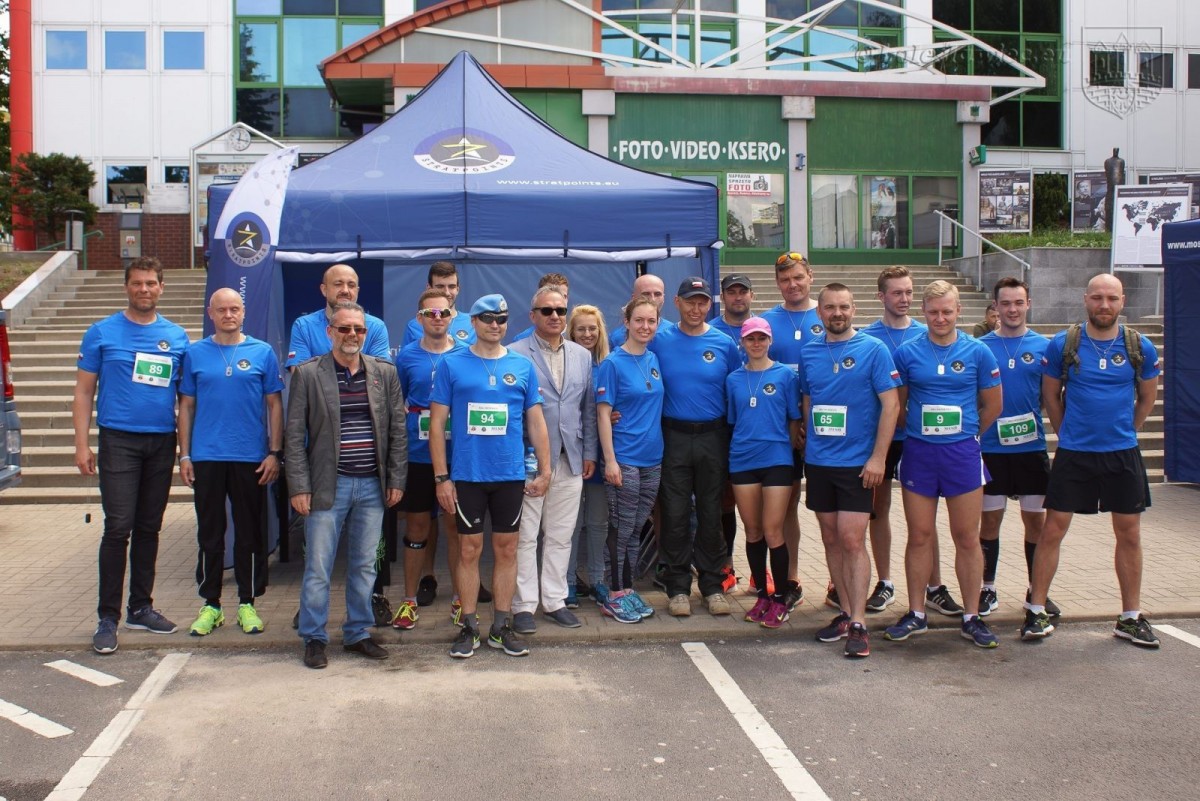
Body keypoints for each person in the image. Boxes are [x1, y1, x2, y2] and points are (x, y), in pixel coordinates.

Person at [1025, 274, 1161, 646]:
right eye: (1098, 298)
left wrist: (1126, 432)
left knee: (1129, 534)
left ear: (1123, 301)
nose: (1104, 305)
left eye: (1112, 298)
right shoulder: (1064, 344)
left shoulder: (1139, 346)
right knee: (1053, 530)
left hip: (1122, 455)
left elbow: (1146, 398)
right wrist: (1067, 432)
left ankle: (1130, 617)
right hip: (1075, 454)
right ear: (1085, 299)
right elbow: (1051, 395)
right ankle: (1036, 611)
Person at [75, 256, 190, 654]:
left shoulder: (176, 337)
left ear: (161, 288)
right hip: (118, 440)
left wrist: (186, 449)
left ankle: (141, 606)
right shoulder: (102, 332)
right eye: (137, 283)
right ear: (127, 287)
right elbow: (84, 391)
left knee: (148, 527)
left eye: (151, 283)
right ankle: (108, 617)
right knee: (118, 527)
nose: (144, 289)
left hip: (160, 440)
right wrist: (81, 442)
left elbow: (185, 398)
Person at [429, 294, 552, 658]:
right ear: (474, 323)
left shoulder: (522, 365)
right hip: (467, 475)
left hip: (509, 475)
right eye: (486, 319)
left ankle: (501, 625)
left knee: (507, 549)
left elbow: (536, 422)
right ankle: (468, 626)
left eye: (500, 319)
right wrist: (441, 478)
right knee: (469, 549)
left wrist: (545, 470)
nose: (494, 325)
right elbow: (437, 425)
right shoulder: (452, 364)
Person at [286, 302, 407, 669]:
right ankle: (314, 637)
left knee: (365, 565)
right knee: (319, 567)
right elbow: (294, 436)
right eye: (344, 329)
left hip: (372, 485)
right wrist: (299, 486)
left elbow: (397, 430)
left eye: (358, 329)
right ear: (330, 332)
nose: (352, 335)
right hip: (327, 485)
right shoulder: (308, 374)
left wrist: (397, 479)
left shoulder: (384, 373)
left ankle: (357, 633)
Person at [883, 280, 1003, 649]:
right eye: (933, 312)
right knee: (919, 536)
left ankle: (971, 616)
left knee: (966, 537)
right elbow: (898, 406)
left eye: (946, 311)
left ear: (958, 311)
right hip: (919, 453)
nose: (940, 318)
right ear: (923, 312)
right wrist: (923, 431)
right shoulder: (907, 352)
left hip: (962, 455)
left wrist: (966, 434)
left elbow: (993, 405)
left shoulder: (978, 352)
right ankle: (916, 612)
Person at [177, 289, 284, 637]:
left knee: (249, 532)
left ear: (243, 312)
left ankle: (247, 603)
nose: (228, 314)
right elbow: (187, 407)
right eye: (221, 309)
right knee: (210, 533)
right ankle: (211, 604)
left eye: (234, 308)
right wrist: (185, 454)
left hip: (250, 457)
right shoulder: (194, 353)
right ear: (211, 312)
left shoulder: (262, 352)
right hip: (207, 456)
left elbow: (274, 405)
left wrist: (274, 452)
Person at [801, 285, 900, 658]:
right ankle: (843, 611)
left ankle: (859, 621)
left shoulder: (874, 349)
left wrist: (878, 458)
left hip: (858, 465)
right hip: (821, 462)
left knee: (852, 539)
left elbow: (890, 407)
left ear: (854, 309)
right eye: (829, 307)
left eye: (843, 306)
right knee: (829, 538)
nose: (836, 313)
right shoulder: (810, 351)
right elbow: (809, 398)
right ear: (819, 313)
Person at [860, 267, 958, 616]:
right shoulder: (867, 338)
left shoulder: (927, 333)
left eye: (909, 292)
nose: (904, 299)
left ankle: (935, 586)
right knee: (878, 511)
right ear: (881, 297)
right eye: (897, 293)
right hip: (882, 439)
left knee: (924, 520)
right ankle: (885, 582)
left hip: (922, 439)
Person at [649, 277, 741, 617]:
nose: (696, 307)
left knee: (711, 513)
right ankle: (677, 588)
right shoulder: (659, 340)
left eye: (702, 301)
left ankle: (713, 585)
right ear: (676, 302)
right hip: (672, 436)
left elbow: (735, 391)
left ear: (710, 304)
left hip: (713, 437)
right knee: (673, 513)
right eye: (690, 301)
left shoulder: (724, 343)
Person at [509, 286, 597, 631]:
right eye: (547, 311)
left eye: (560, 310)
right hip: (529, 460)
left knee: (561, 534)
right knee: (526, 535)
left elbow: (587, 409)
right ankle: (523, 605)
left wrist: (590, 451)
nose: (555, 316)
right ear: (533, 315)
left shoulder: (581, 355)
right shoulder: (515, 353)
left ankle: (555, 600)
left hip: (571, 458)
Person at [976, 278, 1058, 619]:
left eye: (1018, 303)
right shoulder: (979, 347)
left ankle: (1036, 591)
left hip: (1031, 450)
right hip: (991, 451)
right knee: (989, 523)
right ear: (995, 306)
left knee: (1036, 524)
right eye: (1005, 303)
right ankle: (987, 588)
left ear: (1028, 304)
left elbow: (1051, 396)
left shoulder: (1045, 347)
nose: (1012, 309)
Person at [390, 289, 465, 632]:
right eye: (430, 314)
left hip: (457, 457)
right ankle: (407, 601)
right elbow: (398, 403)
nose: (437, 319)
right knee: (417, 527)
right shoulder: (405, 357)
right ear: (419, 318)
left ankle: (459, 599)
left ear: (453, 316)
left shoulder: (465, 355)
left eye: (443, 313)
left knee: (454, 529)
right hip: (417, 457)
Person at [726, 317, 802, 629]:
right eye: (750, 339)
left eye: (761, 338)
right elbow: (733, 420)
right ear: (742, 343)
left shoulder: (785, 375)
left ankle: (782, 596)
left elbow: (794, 419)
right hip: (742, 459)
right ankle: (762, 595)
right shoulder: (733, 379)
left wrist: (787, 448)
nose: (756, 344)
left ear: (769, 341)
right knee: (753, 530)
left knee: (773, 531)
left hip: (777, 459)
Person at [759, 252, 822, 611]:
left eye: (798, 277)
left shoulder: (826, 314)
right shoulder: (766, 321)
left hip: (826, 431)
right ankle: (793, 576)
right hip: (782, 431)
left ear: (810, 276)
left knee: (835, 510)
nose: (793, 284)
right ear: (778, 283)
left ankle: (837, 579)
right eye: (785, 280)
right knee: (787, 508)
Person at [596, 296, 665, 623]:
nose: (645, 326)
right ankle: (614, 593)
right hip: (624, 458)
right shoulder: (612, 363)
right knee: (621, 526)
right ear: (626, 322)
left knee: (637, 526)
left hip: (653, 458)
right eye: (639, 320)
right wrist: (609, 460)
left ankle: (628, 587)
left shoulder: (653, 358)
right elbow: (603, 414)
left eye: (651, 321)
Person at [567, 305, 610, 606]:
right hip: (570, 453)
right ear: (571, 331)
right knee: (568, 523)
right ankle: (566, 583)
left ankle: (598, 580)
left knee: (598, 522)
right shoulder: (567, 363)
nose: (587, 334)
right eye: (581, 328)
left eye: (592, 328)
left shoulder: (609, 363)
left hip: (601, 457)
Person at [401, 261, 476, 348]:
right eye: (440, 287)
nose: (447, 293)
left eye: (451, 287)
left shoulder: (473, 323)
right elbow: (407, 358)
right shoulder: (414, 326)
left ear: (457, 289)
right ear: (429, 288)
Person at [608, 273, 675, 349]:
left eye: (657, 294)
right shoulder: (616, 338)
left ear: (663, 298)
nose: (652, 299)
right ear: (634, 298)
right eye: (646, 294)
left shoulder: (674, 333)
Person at [511, 273, 570, 342]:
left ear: (567, 299)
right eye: (550, 295)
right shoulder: (521, 340)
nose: (557, 299)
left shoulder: (579, 337)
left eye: (563, 296)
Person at [710, 273, 755, 346]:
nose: (738, 298)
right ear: (722, 297)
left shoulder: (764, 328)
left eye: (743, 292)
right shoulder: (710, 331)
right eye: (731, 293)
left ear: (752, 296)